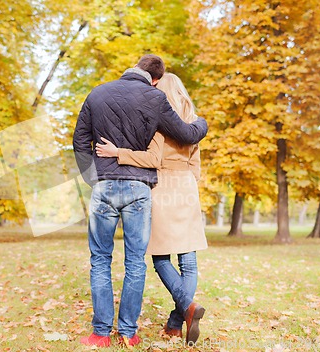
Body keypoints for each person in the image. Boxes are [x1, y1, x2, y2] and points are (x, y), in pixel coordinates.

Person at [73, 55, 208, 348]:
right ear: (155, 79)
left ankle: (100, 334)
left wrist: (92, 178)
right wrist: (202, 125)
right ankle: (129, 333)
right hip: (140, 187)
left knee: (100, 260)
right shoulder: (154, 98)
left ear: (133, 67)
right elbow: (186, 134)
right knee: (136, 262)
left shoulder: (97, 93)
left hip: (105, 186)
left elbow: (80, 140)